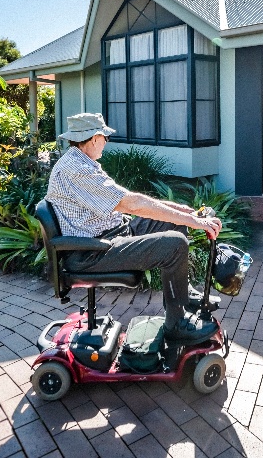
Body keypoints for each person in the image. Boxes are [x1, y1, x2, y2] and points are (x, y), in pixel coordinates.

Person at [45, 112, 223, 344]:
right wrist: (196, 222)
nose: (107, 142)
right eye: (105, 137)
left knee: (175, 222)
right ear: (94, 138)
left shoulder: (81, 161)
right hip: (92, 252)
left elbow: (126, 197)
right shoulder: (77, 170)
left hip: (108, 235)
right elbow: (131, 204)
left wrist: (182, 212)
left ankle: (182, 295)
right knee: (175, 245)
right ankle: (176, 324)